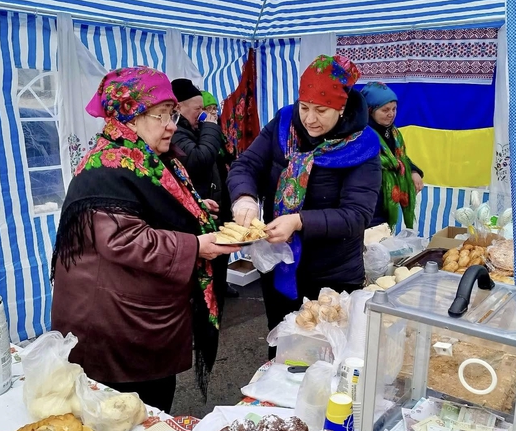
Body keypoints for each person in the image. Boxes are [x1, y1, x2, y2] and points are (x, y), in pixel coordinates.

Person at [49, 67, 240, 412]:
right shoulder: (107, 168)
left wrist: (194, 209)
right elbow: (124, 239)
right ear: (129, 118)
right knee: (127, 417)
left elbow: (156, 203)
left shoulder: (144, 156)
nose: (172, 125)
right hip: (114, 325)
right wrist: (196, 244)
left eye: (172, 114)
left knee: (151, 406)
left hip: (137, 315)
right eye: (161, 115)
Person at [227, 54, 381, 350]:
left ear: (342, 107)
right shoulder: (283, 125)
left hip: (331, 275)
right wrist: (245, 198)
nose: (310, 118)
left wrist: (299, 221)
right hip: (281, 265)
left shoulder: (362, 146)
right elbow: (246, 166)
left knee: (325, 352)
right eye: (305, 107)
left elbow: (356, 215)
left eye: (321, 110)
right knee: (283, 345)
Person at [170, 79, 240, 298]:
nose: (204, 114)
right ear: (179, 107)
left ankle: (219, 289)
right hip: (195, 217)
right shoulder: (177, 132)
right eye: (199, 109)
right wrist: (210, 126)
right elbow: (199, 160)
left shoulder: (194, 129)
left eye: (208, 109)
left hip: (213, 203)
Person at [359, 82, 425, 230]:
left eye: (394, 109)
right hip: (368, 200)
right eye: (385, 110)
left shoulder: (393, 133)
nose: (391, 114)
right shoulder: (361, 135)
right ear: (370, 110)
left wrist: (413, 171)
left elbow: (399, 158)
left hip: (386, 201)